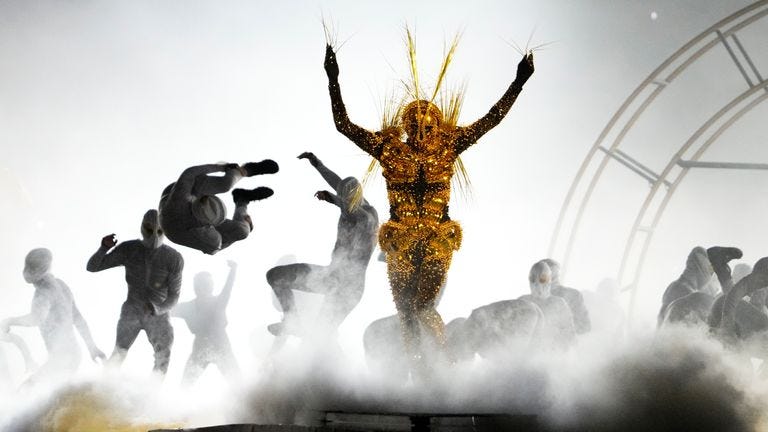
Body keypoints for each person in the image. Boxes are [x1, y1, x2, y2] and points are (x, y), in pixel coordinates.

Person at [324, 37, 535, 364]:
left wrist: (518, 83)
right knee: (407, 311)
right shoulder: (389, 149)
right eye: (414, 124)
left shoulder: (450, 146)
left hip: (437, 238)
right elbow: (343, 126)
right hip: (400, 242)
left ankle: (443, 360)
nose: (420, 131)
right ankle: (421, 371)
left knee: (422, 307)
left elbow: (492, 118)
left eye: (427, 124)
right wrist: (333, 80)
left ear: (436, 125)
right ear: (406, 126)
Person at [267, 152, 378, 343]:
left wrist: (335, 200)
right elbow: (337, 182)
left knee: (317, 339)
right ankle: (292, 320)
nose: (345, 205)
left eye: (347, 201)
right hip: (330, 276)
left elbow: (359, 215)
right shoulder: (347, 204)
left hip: (349, 288)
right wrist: (317, 164)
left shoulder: (369, 214)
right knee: (275, 276)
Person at [86, 209, 183, 376]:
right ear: (142, 227)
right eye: (150, 229)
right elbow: (93, 267)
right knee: (119, 352)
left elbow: (174, 296)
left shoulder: (173, 258)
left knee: (163, 356)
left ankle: (151, 394)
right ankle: (102, 388)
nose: (154, 235)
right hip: (133, 309)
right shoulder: (129, 249)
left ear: (164, 231)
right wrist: (103, 248)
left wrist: (157, 308)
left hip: (158, 313)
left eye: (159, 231)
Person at [1, 248, 104, 384]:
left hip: (62, 359)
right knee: (51, 396)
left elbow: (36, 319)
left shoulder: (43, 291)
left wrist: (9, 321)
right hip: (72, 356)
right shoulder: (61, 285)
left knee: (28, 392)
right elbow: (79, 320)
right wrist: (92, 347)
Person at [159, 160, 278, 255]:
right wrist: (246, 222)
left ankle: (244, 170)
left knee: (225, 185)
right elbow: (215, 249)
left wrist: (222, 167)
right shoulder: (209, 238)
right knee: (243, 231)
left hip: (173, 196)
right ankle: (242, 200)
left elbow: (190, 172)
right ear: (210, 225)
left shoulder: (180, 197)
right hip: (180, 229)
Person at [172, 261, 240, 386]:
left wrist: (233, 270)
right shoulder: (188, 307)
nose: (208, 287)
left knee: (238, 384)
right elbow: (165, 310)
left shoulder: (217, 302)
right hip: (202, 346)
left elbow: (228, 288)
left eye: (209, 284)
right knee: (186, 384)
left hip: (220, 345)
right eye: (204, 284)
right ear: (197, 287)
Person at [517, 261, 576, 350]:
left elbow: (570, 336)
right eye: (533, 279)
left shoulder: (558, 304)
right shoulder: (522, 301)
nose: (537, 284)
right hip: (526, 354)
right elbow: (514, 333)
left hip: (552, 355)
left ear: (549, 281)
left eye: (542, 279)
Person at [540, 258, 591, 334]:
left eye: (554, 277)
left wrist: (556, 331)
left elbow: (584, 326)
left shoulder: (573, 295)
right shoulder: (531, 298)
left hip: (562, 342)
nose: (551, 280)